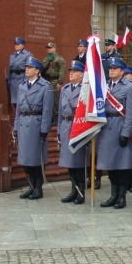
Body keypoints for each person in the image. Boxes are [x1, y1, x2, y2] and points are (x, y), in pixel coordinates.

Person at [95, 58, 132, 209]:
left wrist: (126, 133)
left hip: (120, 127)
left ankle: (122, 196)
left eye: (115, 68)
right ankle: (113, 195)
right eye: (110, 68)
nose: (111, 70)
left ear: (122, 71)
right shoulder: (105, 86)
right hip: (106, 128)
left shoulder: (130, 87)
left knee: (122, 166)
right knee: (111, 165)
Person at [14, 56, 54, 200]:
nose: (27, 69)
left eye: (30, 67)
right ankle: (31, 185)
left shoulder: (45, 86)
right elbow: (18, 109)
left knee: (34, 159)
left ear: (37, 70)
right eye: (26, 67)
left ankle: (38, 188)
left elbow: (47, 110)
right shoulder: (22, 86)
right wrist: (16, 126)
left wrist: (45, 128)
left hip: (35, 125)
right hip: (23, 123)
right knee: (24, 159)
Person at [57, 60, 87, 204]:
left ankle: (81, 192)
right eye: (70, 71)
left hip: (78, 127)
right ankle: (73, 190)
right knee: (69, 162)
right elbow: (60, 112)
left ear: (82, 74)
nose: (71, 73)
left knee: (78, 163)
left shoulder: (85, 89)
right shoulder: (65, 89)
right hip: (65, 126)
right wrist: (58, 129)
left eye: (74, 71)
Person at [42, 42, 66, 124]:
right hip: (46, 80)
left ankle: (56, 118)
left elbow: (62, 71)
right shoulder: (46, 59)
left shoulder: (59, 59)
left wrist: (60, 82)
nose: (49, 49)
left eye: (50, 48)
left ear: (54, 48)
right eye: (48, 48)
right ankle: (49, 117)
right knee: (47, 99)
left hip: (55, 81)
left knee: (55, 100)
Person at [7, 37, 32, 109]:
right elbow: (10, 68)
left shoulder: (27, 55)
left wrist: (26, 81)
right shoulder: (12, 55)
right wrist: (8, 80)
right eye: (15, 44)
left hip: (21, 79)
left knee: (21, 100)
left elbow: (29, 68)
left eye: (18, 44)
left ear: (22, 45)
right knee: (15, 102)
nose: (16, 46)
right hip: (13, 80)